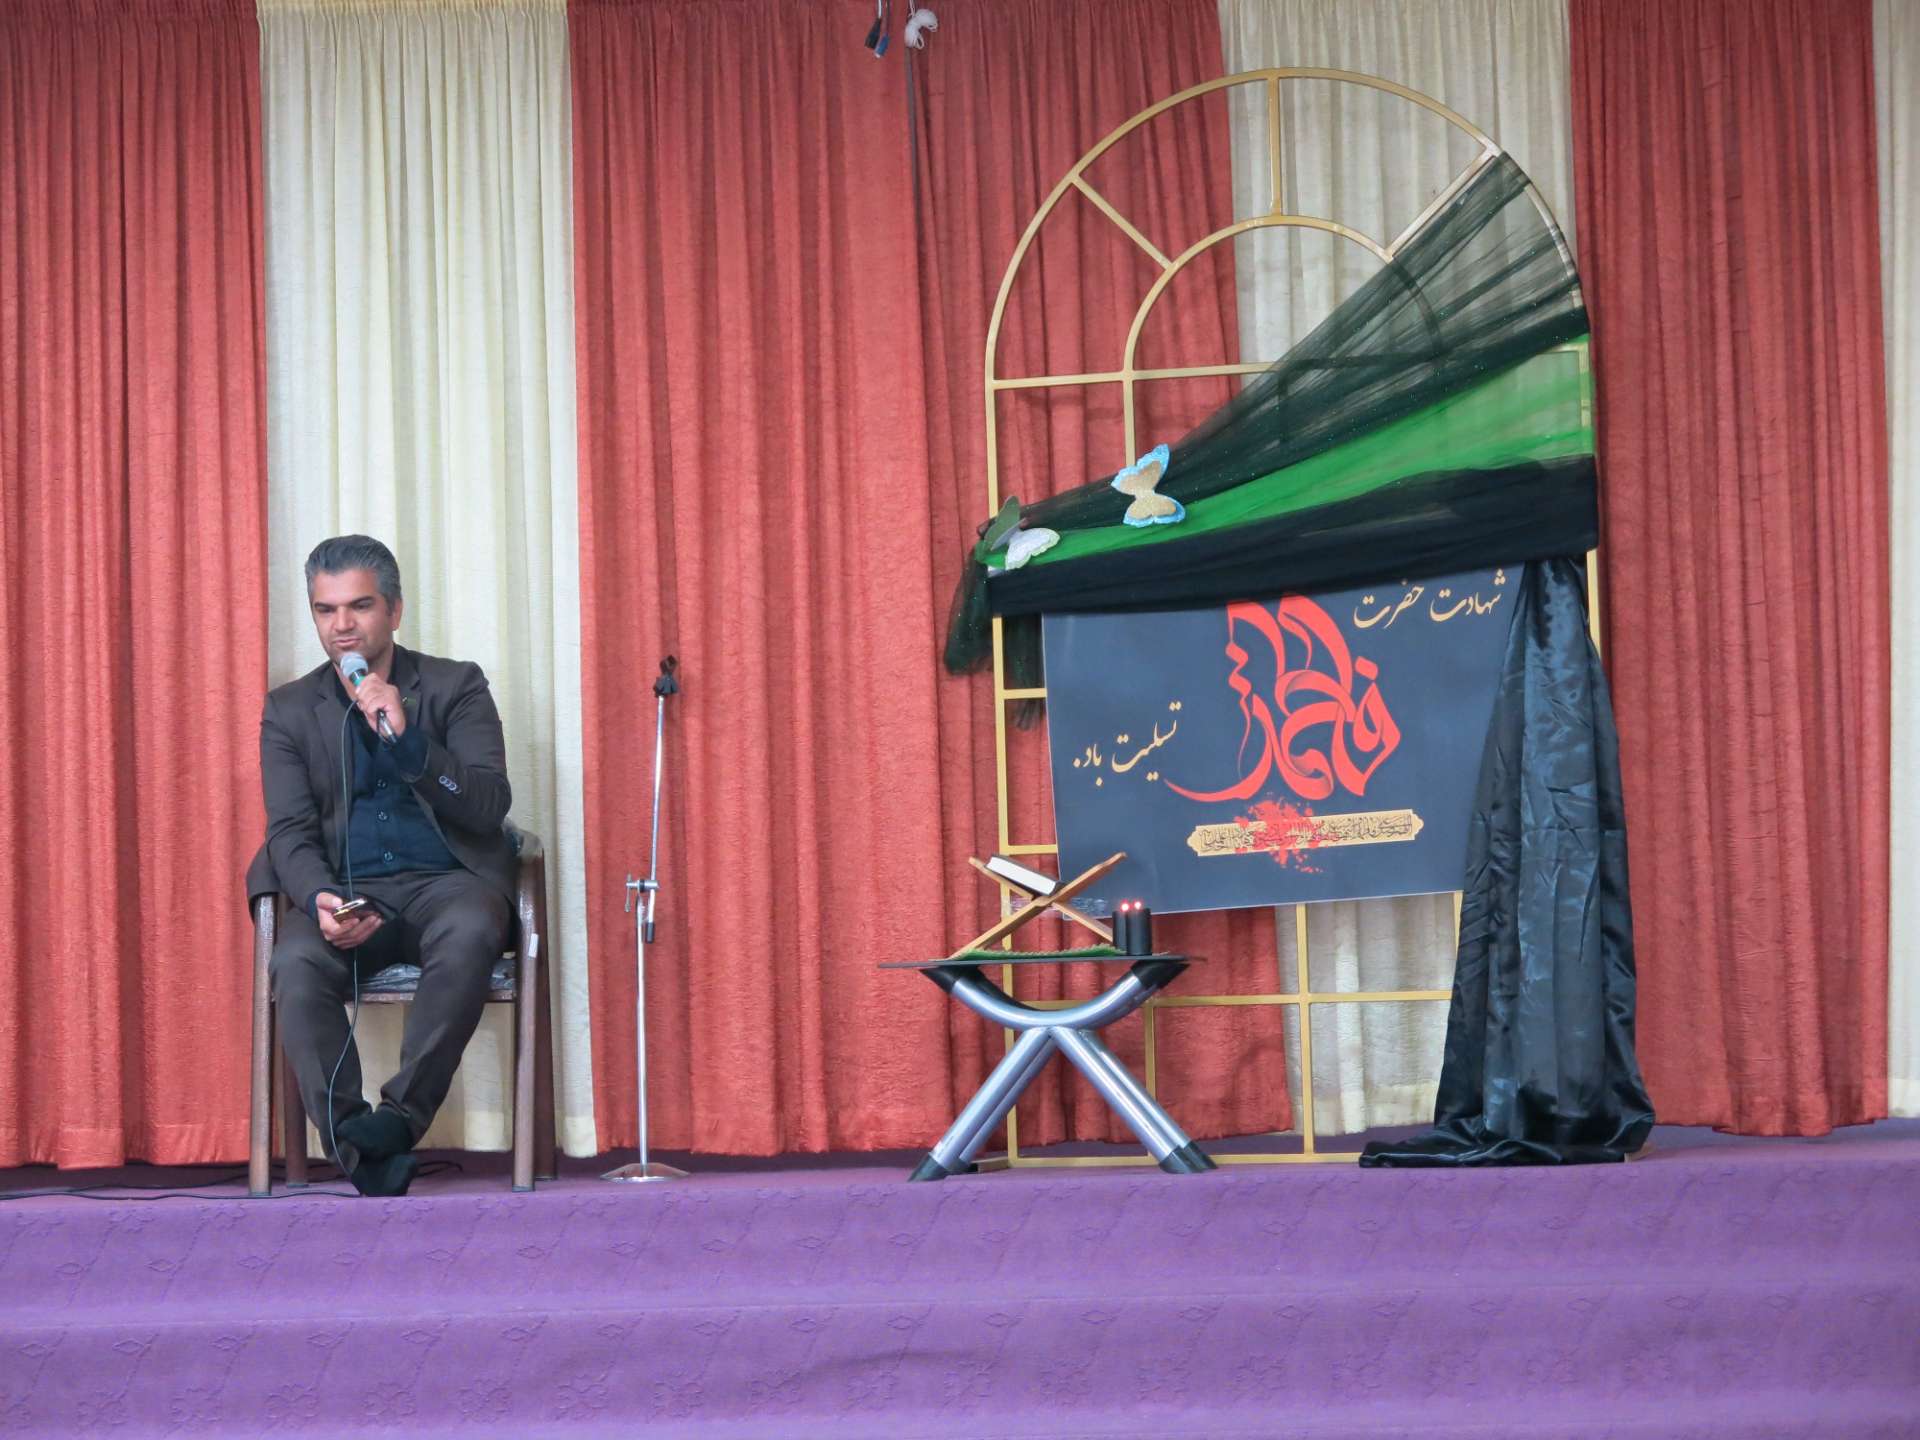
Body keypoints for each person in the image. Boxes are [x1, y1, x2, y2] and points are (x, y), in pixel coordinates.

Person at [246, 535, 515, 1196]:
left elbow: (488, 806)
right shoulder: (289, 709)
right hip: (346, 891)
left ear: (394, 610)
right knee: (295, 962)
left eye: (359, 606)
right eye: (326, 609)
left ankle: (396, 1120)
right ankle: (359, 1145)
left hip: (444, 886)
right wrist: (318, 898)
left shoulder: (456, 686)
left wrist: (412, 743)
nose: (342, 625)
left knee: (471, 928)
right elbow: (289, 831)